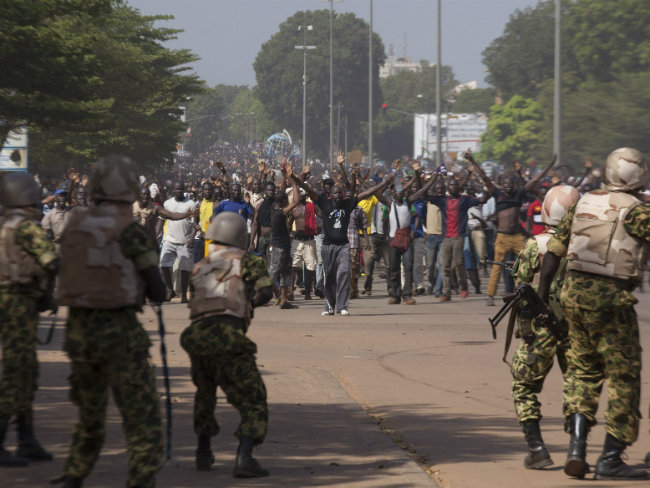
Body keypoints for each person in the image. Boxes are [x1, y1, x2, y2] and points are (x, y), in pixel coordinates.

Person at [54, 155, 167, 488]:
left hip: (78, 333)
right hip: (120, 335)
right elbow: (158, 290)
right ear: (131, 189)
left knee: (89, 415)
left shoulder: (75, 226)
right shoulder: (129, 231)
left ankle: (74, 475)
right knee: (142, 417)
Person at [537, 147, 650, 481]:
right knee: (623, 375)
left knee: (583, 372)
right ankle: (611, 457)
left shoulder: (583, 202)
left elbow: (553, 253)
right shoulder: (638, 212)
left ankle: (576, 449)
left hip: (574, 294)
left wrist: (544, 299)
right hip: (611, 300)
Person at [181, 212, 273, 478]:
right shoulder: (247, 261)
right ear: (240, 237)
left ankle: (203, 451)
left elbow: (193, 303)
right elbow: (267, 291)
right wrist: (249, 305)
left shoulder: (200, 266)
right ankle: (245, 458)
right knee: (254, 399)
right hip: (228, 337)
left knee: (205, 392)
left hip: (197, 337)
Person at [509, 185, 579, 470]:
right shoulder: (584, 247)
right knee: (578, 386)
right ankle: (577, 447)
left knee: (523, 386)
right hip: (576, 329)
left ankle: (537, 448)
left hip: (540, 330)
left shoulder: (533, 245)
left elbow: (520, 286)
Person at [0, 172, 58, 467]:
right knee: (18, 374)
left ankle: (27, 439)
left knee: (26, 373)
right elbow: (51, 259)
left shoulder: (5, 226)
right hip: (19, 304)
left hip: (12, 304)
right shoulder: (25, 227)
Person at [294, 167, 393, 316]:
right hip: (328, 246)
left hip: (344, 246)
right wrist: (292, 177)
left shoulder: (348, 203)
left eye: (339, 193)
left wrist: (385, 182)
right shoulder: (323, 202)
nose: (337, 196)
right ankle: (329, 307)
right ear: (330, 195)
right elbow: (306, 188)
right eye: (334, 193)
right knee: (330, 277)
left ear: (342, 194)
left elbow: (367, 192)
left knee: (344, 273)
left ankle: (342, 306)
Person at [486, 156, 555, 306]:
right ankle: (490, 295)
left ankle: (527, 292)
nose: (508, 185)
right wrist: (472, 161)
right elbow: (484, 178)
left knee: (527, 264)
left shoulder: (519, 194)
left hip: (517, 236)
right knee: (497, 267)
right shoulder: (497, 195)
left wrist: (549, 165)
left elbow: (534, 181)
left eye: (511, 183)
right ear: (501, 185)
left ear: (514, 184)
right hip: (502, 237)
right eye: (505, 183)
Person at [160, 181, 196, 302]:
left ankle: (184, 295)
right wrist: (157, 235)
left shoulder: (191, 204)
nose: (179, 191)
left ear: (184, 190)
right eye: (177, 189)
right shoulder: (167, 203)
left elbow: (195, 224)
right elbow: (161, 220)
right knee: (163, 265)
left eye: (181, 189)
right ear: (173, 190)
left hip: (185, 241)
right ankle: (171, 290)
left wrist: (192, 238)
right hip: (169, 239)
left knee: (185, 269)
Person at [40, 189, 71, 255]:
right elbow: (44, 234)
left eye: (64, 196)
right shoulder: (50, 215)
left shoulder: (71, 212)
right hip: (58, 249)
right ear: (55, 198)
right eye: (60, 196)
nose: (62, 198)